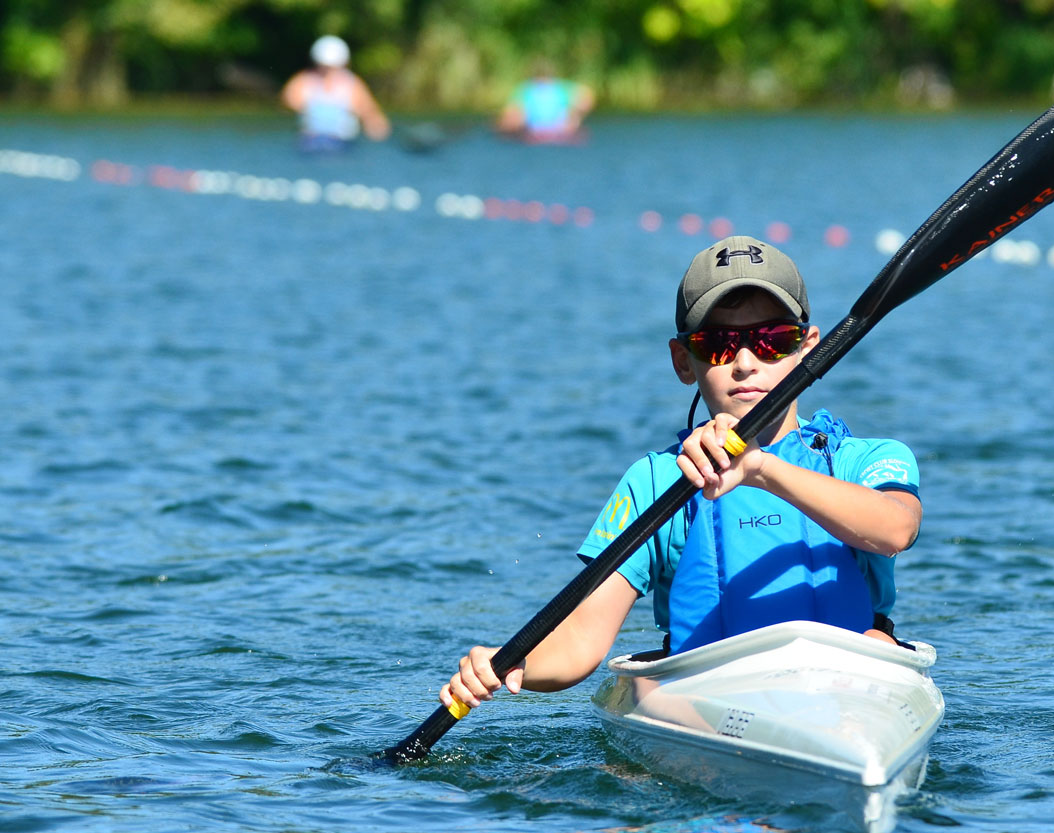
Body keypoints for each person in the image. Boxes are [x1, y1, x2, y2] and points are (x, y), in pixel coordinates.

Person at [441, 236, 923, 710]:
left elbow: (895, 529)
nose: (745, 363)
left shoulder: (864, 459)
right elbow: (581, 643)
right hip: (708, 701)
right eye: (718, 345)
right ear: (682, 362)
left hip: (850, 696)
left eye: (772, 340)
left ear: (810, 349)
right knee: (649, 695)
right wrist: (509, 664)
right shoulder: (654, 483)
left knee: (878, 645)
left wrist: (759, 468)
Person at [280, 35, 390, 151]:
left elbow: (372, 115)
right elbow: (287, 103)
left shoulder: (352, 84)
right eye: (324, 66)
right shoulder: (303, 81)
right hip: (311, 141)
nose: (328, 71)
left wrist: (375, 126)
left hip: (341, 142)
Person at [494, 61, 594, 144]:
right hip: (557, 131)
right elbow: (586, 96)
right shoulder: (560, 88)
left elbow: (509, 113)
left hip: (539, 132)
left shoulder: (526, 90)